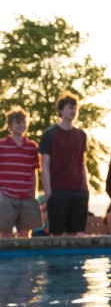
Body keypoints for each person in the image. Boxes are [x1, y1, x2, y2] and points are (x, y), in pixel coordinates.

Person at [39, 92, 90, 235]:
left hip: (79, 192)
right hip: (58, 191)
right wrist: (49, 193)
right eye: (69, 107)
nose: (73, 111)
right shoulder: (50, 134)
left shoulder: (81, 135)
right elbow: (45, 165)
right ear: (61, 110)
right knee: (57, 235)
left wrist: (86, 189)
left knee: (77, 235)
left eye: (75, 108)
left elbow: (82, 164)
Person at [0, 107, 42, 238]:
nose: (21, 125)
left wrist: (33, 193)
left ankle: (26, 260)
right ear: (10, 126)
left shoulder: (32, 147)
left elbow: (33, 171)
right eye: (18, 122)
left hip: (26, 196)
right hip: (6, 195)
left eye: (24, 122)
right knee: (5, 231)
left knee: (25, 233)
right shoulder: (1, 145)